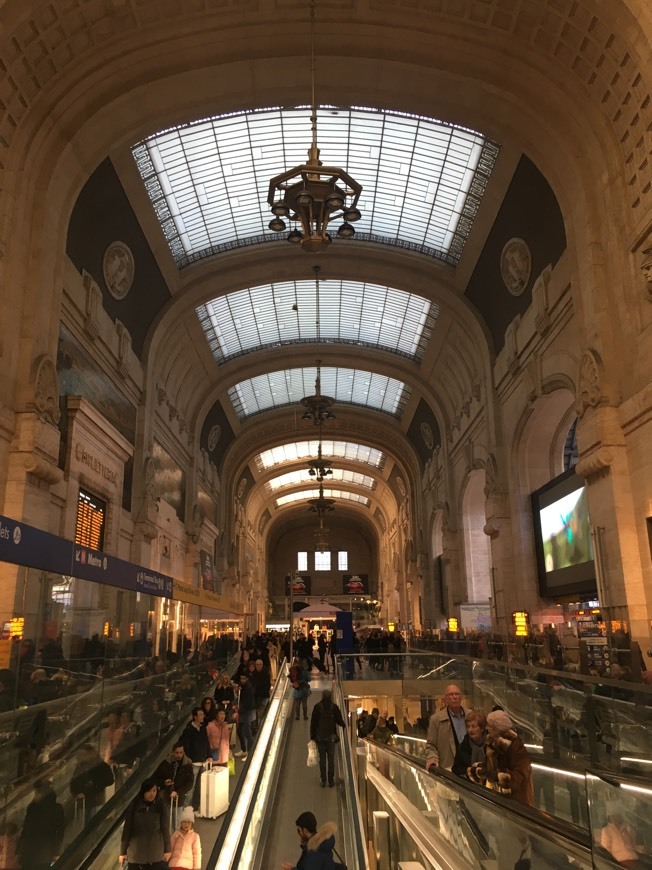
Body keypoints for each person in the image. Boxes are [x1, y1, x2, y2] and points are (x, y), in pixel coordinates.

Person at [468, 710, 534, 806]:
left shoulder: (515, 747)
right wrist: (482, 769)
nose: (486, 728)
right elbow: (492, 766)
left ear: (497, 728)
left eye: (489, 725)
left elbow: (520, 776)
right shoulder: (492, 743)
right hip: (497, 797)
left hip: (516, 801)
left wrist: (496, 777)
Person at [119, 778, 171, 868]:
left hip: (155, 854)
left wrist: (167, 849)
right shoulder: (134, 806)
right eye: (149, 791)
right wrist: (122, 852)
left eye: (154, 790)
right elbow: (127, 829)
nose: (152, 794)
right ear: (143, 791)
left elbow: (165, 828)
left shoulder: (161, 806)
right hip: (136, 854)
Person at [16, 780, 65, 870]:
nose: (35, 795)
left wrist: (19, 850)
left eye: (37, 793)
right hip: (42, 853)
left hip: (35, 852)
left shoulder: (34, 808)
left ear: (43, 793)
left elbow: (59, 832)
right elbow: (59, 832)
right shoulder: (34, 808)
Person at [70, 743, 115, 823]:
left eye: (83, 754)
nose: (79, 757)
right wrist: (76, 792)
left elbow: (110, 780)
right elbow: (74, 782)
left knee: (95, 823)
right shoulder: (80, 766)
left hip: (96, 800)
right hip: (83, 802)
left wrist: (93, 784)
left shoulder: (101, 765)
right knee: (85, 823)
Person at [309, 689, 346, 788]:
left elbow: (313, 724)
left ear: (322, 696)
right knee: (331, 759)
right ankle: (331, 780)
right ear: (330, 696)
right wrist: (345, 725)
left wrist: (312, 737)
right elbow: (339, 720)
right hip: (331, 738)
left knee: (322, 759)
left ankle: (323, 780)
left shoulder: (317, 707)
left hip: (320, 737)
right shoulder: (334, 707)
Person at [425, 684, 466, 771]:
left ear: (461, 697)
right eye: (451, 694)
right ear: (446, 699)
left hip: (469, 768)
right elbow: (431, 745)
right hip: (449, 769)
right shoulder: (436, 719)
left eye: (457, 694)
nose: (455, 697)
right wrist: (432, 758)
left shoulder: (470, 716)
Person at [154, 742, 195, 828]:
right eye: (177, 753)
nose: (179, 755)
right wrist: (164, 782)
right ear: (172, 752)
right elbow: (156, 778)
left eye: (181, 752)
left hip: (178, 799)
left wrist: (178, 792)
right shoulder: (165, 763)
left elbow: (190, 783)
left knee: (177, 823)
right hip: (166, 797)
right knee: (166, 823)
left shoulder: (187, 764)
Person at [182, 708, 211, 814]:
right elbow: (187, 746)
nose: (202, 716)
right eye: (200, 715)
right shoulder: (189, 730)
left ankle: (196, 806)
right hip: (194, 762)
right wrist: (189, 758)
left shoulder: (203, 728)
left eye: (203, 714)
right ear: (194, 716)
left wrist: (209, 755)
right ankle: (186, 810)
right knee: (191, 787)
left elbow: (206, 742)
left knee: (201, 786)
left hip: (203, 761)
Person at [452, 709, 487, 779]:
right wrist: (466, 770)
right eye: (468, 726)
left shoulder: (491, 745)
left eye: (474, 726)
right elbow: (456, 769)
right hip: (470, 786)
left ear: (482, 728)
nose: (470, 730)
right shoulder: (463, 747)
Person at [234, 672, 256, 760]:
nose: (242, 680)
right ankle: (244, 750)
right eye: (241, 678)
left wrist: (238, 712)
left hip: (246, 712)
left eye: (244, 678)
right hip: (243, 711)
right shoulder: (243, 686)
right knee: (239, 730)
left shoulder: (248, 689)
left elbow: (246, 703)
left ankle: (250, 753)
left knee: (247, 733)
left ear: (247, 679)